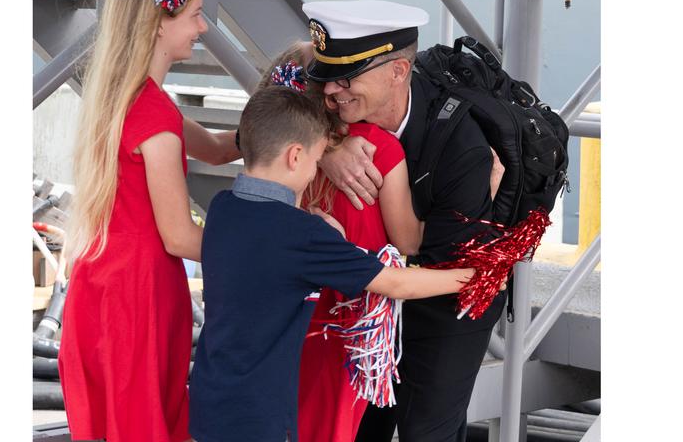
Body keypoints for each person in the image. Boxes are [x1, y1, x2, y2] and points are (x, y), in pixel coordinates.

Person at [188, 87, 476, 442]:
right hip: (260, 416)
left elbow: (266, 251)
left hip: (208, 402)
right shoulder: (302, 235)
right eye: (317, 160)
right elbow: (397, 284)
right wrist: (471, 277)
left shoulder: (222, 207)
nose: (314, 174)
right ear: (295, 156)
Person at [303, 0, 507, 442]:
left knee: (424, 431)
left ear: (398, 71)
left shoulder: (462, 146)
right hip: (367, 295)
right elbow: (260, 129)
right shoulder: (327, 115)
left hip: (447, 291)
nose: (331, 92)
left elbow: (435, 257)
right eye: (326, 76)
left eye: (347, 76)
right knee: (356, 427)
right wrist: (326, 145)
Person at [58, 0, 238, 442]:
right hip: (138, 298)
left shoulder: (122, 97)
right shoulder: (155, 115)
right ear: (160, 23)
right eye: (196, 13)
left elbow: (222, 151)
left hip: (101, 288)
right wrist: (263, 249)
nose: (203, 26)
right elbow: (180, 237)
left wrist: (289, 126)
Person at [256, 45, 423, 442]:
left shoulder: (276, 159)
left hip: (283, 319)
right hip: (349, 327)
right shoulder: (379, 149)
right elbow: (408, 240)